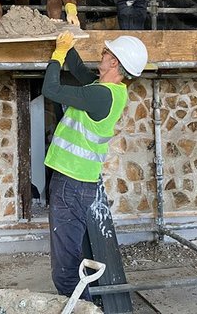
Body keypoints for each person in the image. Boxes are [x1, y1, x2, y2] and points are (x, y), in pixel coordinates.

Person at [42, 30, 148, 299]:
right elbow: (79, 70)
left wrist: (57, 55)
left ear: (115, 63)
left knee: (65, 272)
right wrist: (68, 43)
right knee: (70, 261)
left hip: (71, 183)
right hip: (78, 182)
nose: (102, 54)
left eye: (106, 53)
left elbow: (50, 90)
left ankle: (83, 308)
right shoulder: (111, 91)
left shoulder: (100, 96)